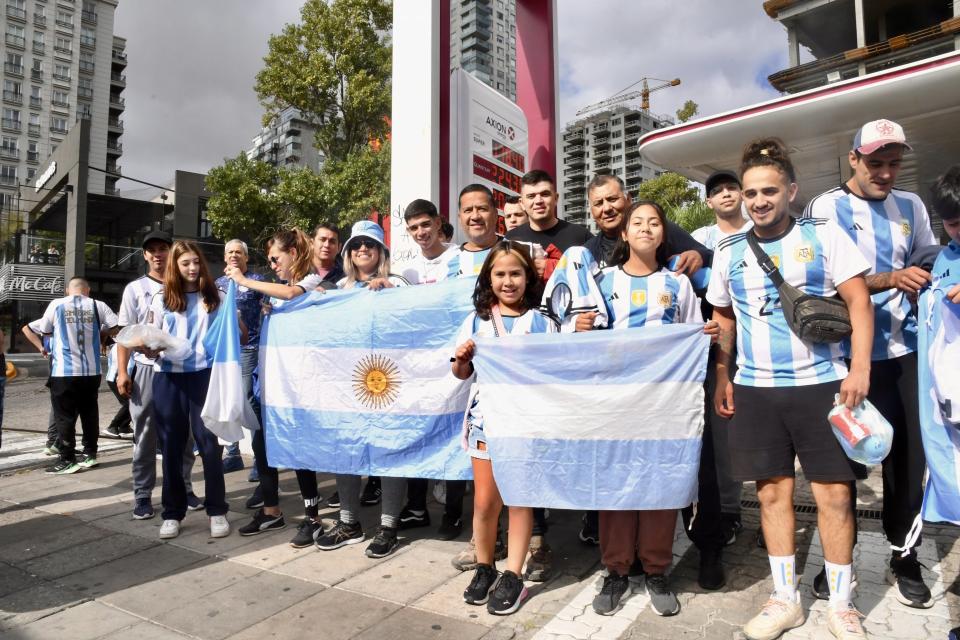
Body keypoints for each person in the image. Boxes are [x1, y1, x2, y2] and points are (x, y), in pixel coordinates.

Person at [708, 138, 873, 640]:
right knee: (773, 495)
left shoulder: (825, 235)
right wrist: (723, 376)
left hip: (824, 385)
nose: (759, 201)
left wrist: (859, 368)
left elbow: (859, 303)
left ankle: (842, 606)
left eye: (770, 191)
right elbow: (722, 314)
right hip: (756, 390)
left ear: (791, 191)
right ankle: (785, 600)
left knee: (835, 496)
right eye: (751, 192)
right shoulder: (729, 250)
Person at [804, 119, 939, 609]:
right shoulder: (826, 207)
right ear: (853, 159)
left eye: (893, 162)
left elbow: (928, 257)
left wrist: (929, 272)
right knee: (841, 466)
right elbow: (820, 280)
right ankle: (838, 562)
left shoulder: (913, 204)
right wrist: (886, 279)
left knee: (907, 462)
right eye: (875, 161)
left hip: (904, 354)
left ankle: (904, 556)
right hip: (844, 357)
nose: (885, 172)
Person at [580, 201, 719, 616]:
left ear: (664, 234)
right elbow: (584, 342)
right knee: (616, 486)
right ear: (624, 233)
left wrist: (706, 335)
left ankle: (657, 569)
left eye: (653, 222)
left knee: (661, 482)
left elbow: (694, 336)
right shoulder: (601, 282)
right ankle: (618, 570)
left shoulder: (678, 285)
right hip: (616, 406)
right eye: (636, 222)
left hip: (666, 405)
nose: (645, 228)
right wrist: (580, 328)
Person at [453, 240, 556, 615]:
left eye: (516, 273)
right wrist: (463, 358)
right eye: (500, 274)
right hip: (486, 422)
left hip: (526, 425)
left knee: (520, 499)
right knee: (484, 501)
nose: (508, 281)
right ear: (488, 278)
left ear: (528, 277)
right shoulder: (476, 321)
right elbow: (460, 373)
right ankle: (485, 567)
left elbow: (552, 372)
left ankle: (513, 573)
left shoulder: (542, 322)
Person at [224, 229, 327, 547]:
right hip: (270, 383)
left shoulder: (311, 284)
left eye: (275, 258)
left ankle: (313, 519)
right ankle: (271, 511)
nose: (272, 265)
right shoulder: (275, 290)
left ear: (293, 254)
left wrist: (243, 280)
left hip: (299, 386)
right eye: (268, 260)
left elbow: (294, 295)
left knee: (299, 453)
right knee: (262, 447)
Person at [316, 220, 409, 559]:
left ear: (381, 250)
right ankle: (349, 522)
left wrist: (394, 294)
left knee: (387, 452)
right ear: (348, 253)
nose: (362, 250)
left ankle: (388, 527)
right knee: (347, 451)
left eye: (369, 244)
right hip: (350, 384)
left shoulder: (398, 283)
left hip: (388, 382)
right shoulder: (339, 288)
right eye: (355, 245)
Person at [681, 169, 749, 591]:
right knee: (709, 429)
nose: (726, 195)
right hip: (711, 344)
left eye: (731, 188)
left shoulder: (757, 230)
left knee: (731, 434)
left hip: (751, 346)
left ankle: (730, 507)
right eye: (717, 191)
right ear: (707, 201)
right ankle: (705, 508)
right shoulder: (699, 236)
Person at [146, 240, 233, 540]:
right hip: (168, 379)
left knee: (210, 445)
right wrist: (147, 349)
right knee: (170, 447)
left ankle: (217, 510)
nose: (193, 268)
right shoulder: (161, 299)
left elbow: (233, 333)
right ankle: (172, 513)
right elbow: (148, 338)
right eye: (186, 263)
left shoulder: (216, 296)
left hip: (205, 378)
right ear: (175, 266)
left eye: (196, 262)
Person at [117, 230, 199, 520]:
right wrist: (123, 371)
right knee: (145, 434)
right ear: (145, 255)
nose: (157, 254)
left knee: (185, 434)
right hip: (148, 370)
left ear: (170, 252)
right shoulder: (135, 289)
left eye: (162, 248)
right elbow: (124, 334)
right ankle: (142, 494)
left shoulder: (187, 285)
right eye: (151, 250)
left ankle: (185, 487)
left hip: (182, 369)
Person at [22, 277, 118, 474]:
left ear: (68, 291)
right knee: (90, 413)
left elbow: (46, 330)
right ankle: (90, 454)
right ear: (88, 290)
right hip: (92, 370)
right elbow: (116, 327)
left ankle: (67, 459)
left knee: (64, 416)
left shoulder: (57, 304)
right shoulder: (98, 305)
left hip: (64, 370)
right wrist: (100, 335)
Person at [583, 174, 710, 273]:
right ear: (591, 211)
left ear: (628, 199)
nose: (606, 208)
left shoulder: (657, 229)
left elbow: (710, 256)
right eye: (598, 203)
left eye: (612, 199)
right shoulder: (587, 252)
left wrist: (698, 255)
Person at [217, 240, 266, 475]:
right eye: (230, 252)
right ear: (225, 257)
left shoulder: (256, 281)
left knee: (248, 398)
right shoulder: (217, 283)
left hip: (250, 348)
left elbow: (268, 310)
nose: (234, 255)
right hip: (224, 350)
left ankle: (260, 457)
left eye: (239, 252)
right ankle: (233, 453)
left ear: (246, 257)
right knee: (227, 399)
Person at [507, 169, 593, 281]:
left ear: (556, 198)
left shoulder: (581, 236)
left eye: (545, 194)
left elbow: (595, 276)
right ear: (522, 203)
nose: (538, 201)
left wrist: (553, 268)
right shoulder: (510, 239)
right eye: (531, 196)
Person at [400, 199, 458, 285]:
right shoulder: (407, 271)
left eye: (425, 225)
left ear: (438, 223)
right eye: (414, 228)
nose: (421, 233)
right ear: (409, 231)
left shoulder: (459, 257)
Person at [101, 341, 133, 439]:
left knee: (131, 403)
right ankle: (112, 426)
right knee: (130, 403)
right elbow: (123, 365)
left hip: (121, 377)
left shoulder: (121, 344)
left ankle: (124, 426)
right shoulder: (121, 345)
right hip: (117, 378)